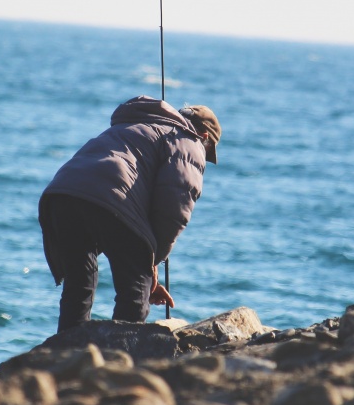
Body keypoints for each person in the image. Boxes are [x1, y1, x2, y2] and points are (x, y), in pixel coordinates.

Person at [38, 95, 221, 332]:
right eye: (207, 152)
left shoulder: (134, 125)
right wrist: (150, 266)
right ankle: (122, 360)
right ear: (205, 137)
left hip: (61, 195)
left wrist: (149, 265)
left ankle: (65, 357)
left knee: (79, 285)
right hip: (110, 196)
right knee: (135, 292)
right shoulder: (189, 140)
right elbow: (173, 213)